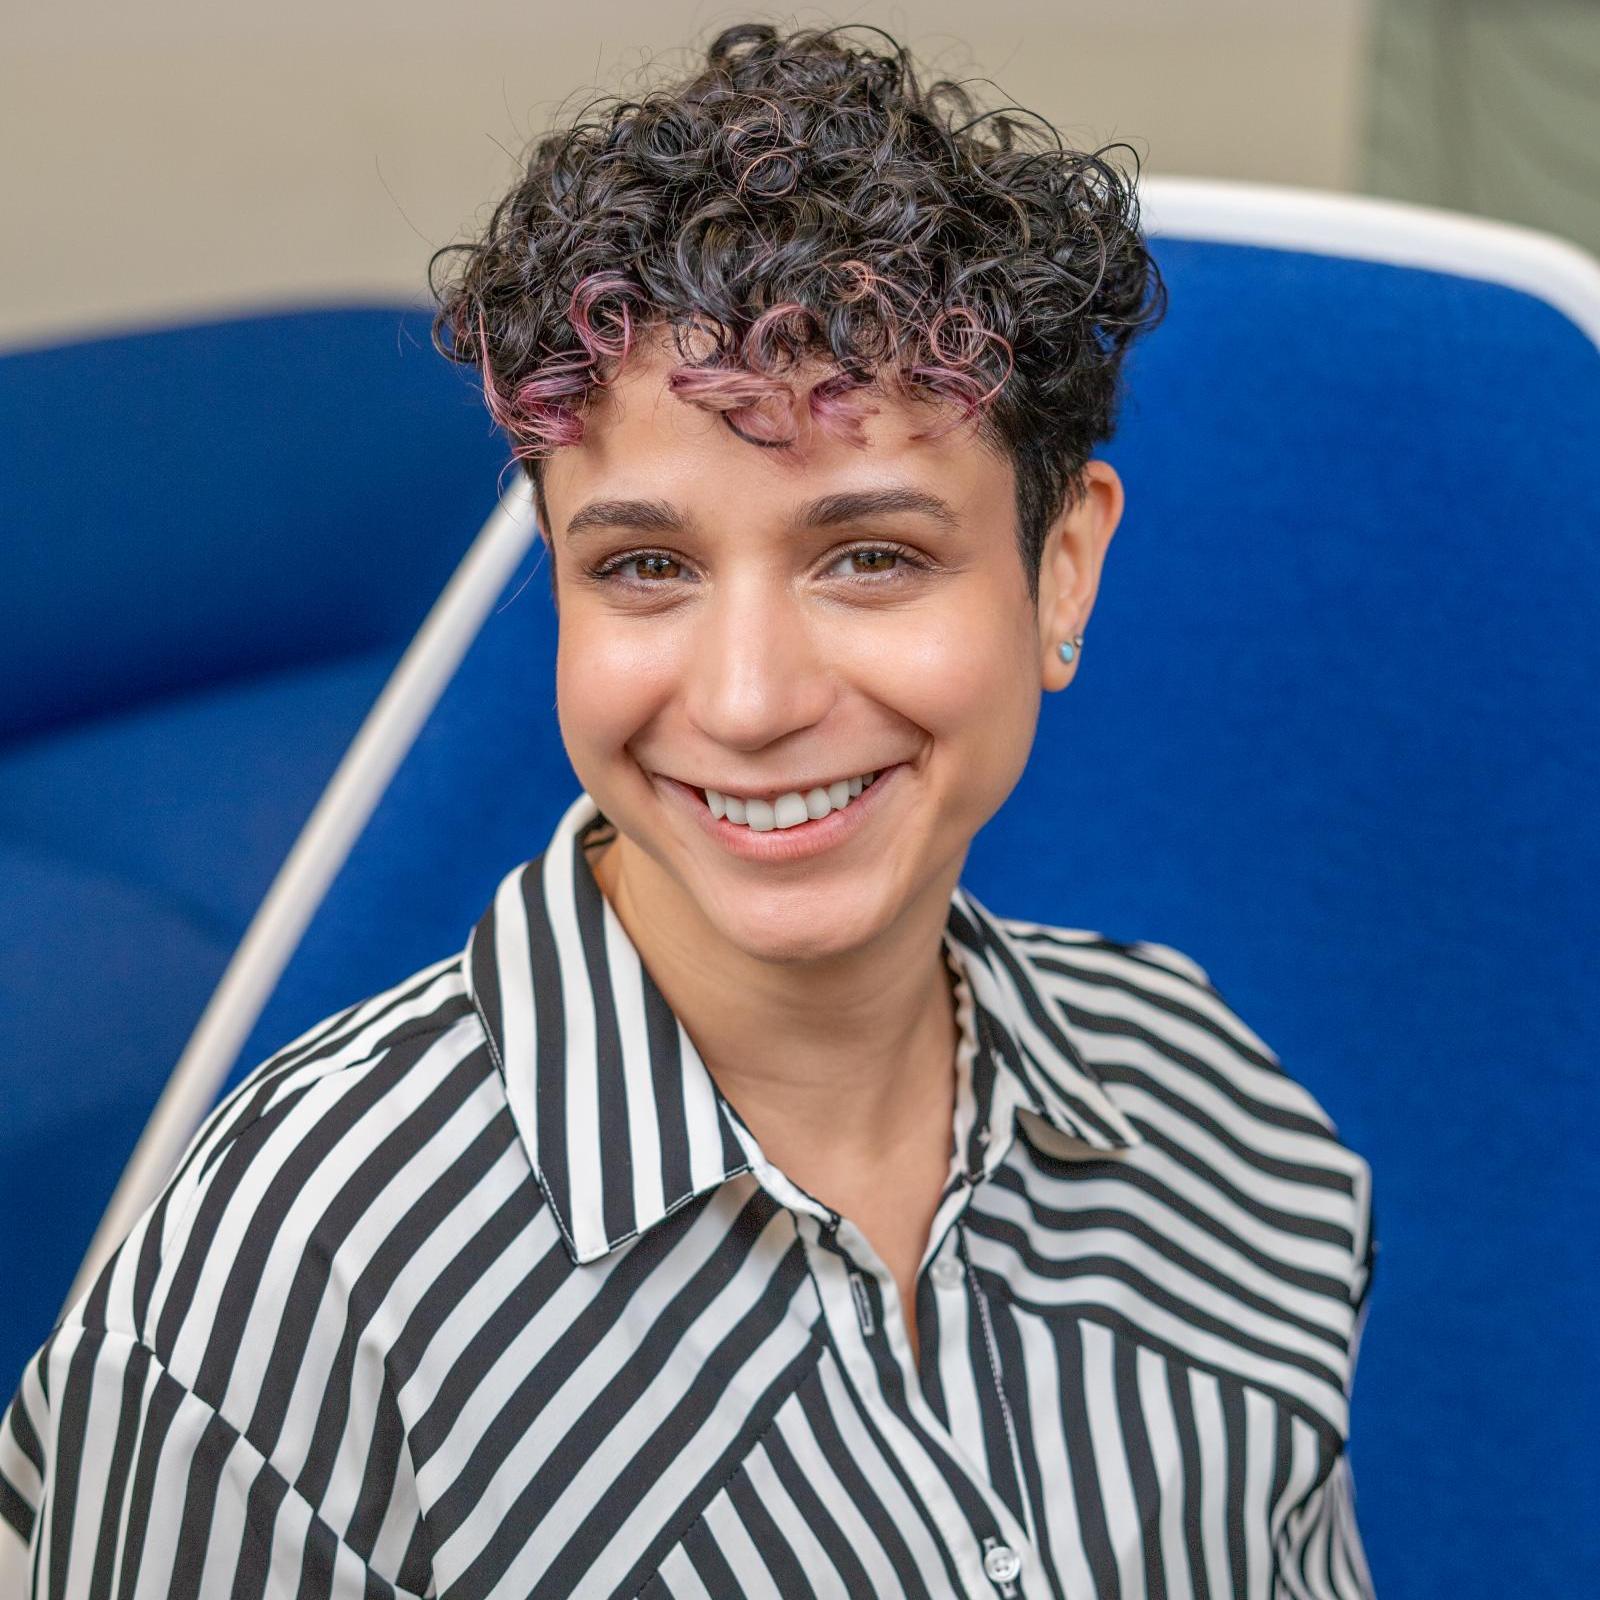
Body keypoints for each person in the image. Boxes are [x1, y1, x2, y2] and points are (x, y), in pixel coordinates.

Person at [0, 21, 1377, 1598]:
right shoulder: (285, 1292)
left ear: (1061, 567)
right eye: (643, 566)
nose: (745, 700)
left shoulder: (1233, 1134)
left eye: (870, 554)